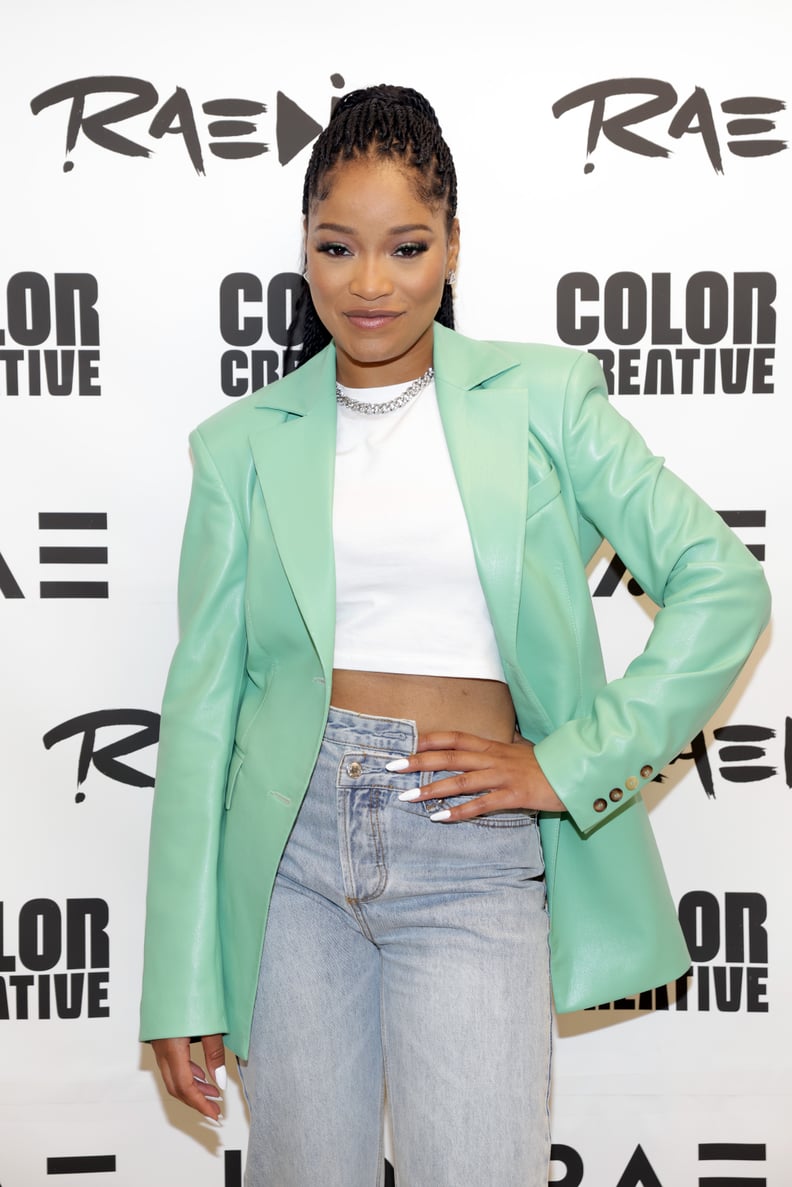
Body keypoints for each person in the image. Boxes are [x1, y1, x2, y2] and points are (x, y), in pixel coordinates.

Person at [140, 85, 771, 1186]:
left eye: (407, 245)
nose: (371, 283)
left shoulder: (545, 397)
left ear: (454, 245)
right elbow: (203, 715)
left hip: (471, 845)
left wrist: (562, 763)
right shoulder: (238, 445)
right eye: (338, 247)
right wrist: (179, 978)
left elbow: (724, 582)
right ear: (305, 249)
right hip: (287, 855)